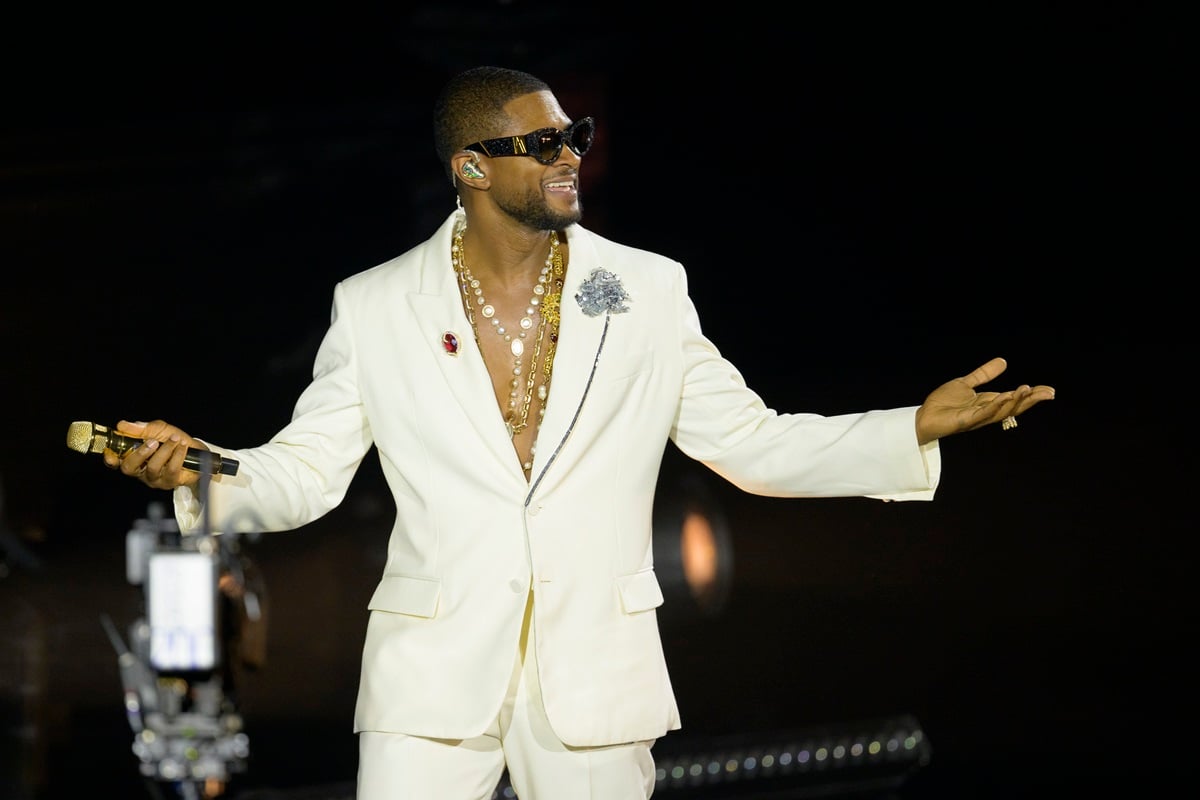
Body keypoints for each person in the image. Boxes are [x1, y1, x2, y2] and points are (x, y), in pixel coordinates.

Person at [99, 65, 1055, 799]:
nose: (569, 157)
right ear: (471, 167)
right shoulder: (378, 304)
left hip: (596, 670)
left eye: (576, 136)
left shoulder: (646, 288)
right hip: (431, 677)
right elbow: (307, 473)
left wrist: (910, 427)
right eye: (542, 143)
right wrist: (201, 469)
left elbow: (752, 444)